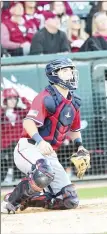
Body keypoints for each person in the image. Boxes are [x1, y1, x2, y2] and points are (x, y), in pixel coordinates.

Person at [1, 58, 90, 214]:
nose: (70, 73)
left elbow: (74, 129)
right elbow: (28, 123)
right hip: (29, 147)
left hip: (49, 153)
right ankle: (11, 202)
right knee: (44, 170)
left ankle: (27, 199)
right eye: (65, 71)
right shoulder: (45, 97)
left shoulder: (74, 101)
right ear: (54, 75)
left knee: (68, 200)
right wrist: (40, 141)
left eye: (71, 70)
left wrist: (80, 147)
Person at [1, 88, 31, 184]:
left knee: (19, 151)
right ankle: (9, 175)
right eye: (10, 98)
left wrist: (23, 99)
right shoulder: (2, 113)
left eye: (15, 98)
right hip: (5, 146)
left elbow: (31, 111)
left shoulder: (19, 112)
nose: (13, 101)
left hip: (19, 145)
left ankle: (18, 177)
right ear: (5, 100)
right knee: (11, 153)